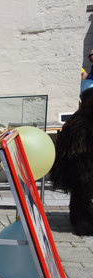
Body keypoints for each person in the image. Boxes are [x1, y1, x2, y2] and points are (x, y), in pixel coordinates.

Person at [51, 87, 93, 236]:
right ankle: (82, 224)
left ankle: (84, 220)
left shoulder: (78, 119)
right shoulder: (80, 122)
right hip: (78, 169)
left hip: (82, 168)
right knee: (81, 196)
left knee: (81, 197)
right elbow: (79, 150)